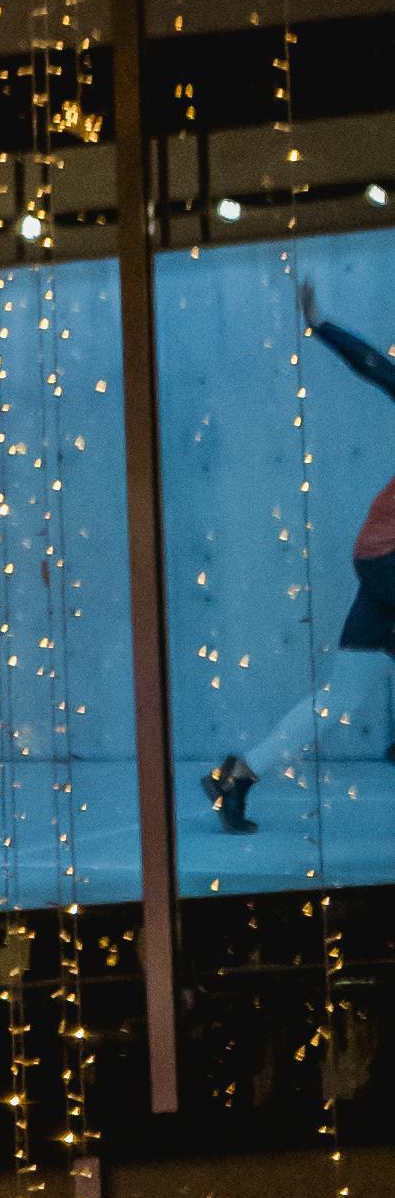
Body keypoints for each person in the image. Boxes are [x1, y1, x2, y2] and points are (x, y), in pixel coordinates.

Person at [208, 284, 395, 831]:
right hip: (389, 558)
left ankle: (240, 775)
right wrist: (321, 326)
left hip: (377, 560)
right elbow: (376, 367)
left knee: (342, 695)